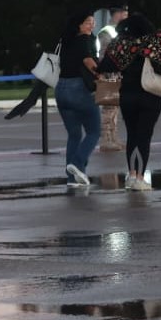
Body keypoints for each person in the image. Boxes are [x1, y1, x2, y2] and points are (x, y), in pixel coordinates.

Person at [97, 15, 161, 189]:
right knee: (144, 137)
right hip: (150, 97)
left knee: (132, 136)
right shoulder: (154, 44)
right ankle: (140, 177)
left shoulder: (121, 45)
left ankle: (131, 175)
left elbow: (105, 66)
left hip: (127, 96)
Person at [56, 9, 101, 187]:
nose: (92, 25)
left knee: (74, 134)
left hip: (61, 89)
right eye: (88, 22)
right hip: (79, 89)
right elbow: (88, 61)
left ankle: (72, 178)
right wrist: (101, 75)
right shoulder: (84, 40)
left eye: (93, 21)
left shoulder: (65, 40)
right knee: (94, 131)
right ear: (79, 26)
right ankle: (77, 163)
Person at [96, 6, 129, 153]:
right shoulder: (107, 32)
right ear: (119, 14)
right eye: (125, 13)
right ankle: (106, 140)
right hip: (109, 74)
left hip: (118, 73)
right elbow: (107, 53)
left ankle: (114, 137)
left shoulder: (119, 30)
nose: (127, 16)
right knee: (109, 108)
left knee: (115, 108)